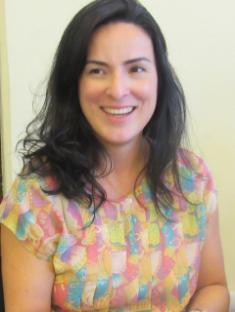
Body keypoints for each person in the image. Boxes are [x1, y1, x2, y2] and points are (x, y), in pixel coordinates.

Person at [0, 0, 230, 311]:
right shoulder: (34, 200)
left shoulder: (192, 178)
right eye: (97, 70)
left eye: (136, 68)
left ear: (158, 79)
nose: (118, 89)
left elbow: (214, 287)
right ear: (74, 83)